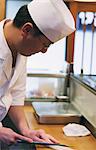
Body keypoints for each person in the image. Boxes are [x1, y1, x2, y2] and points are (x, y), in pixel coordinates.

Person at [0, 0, 75, 145]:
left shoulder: (21, 48)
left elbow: (15, 94)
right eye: (44, 44)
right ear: (26, 30)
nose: (43, 51)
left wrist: (26, 130)